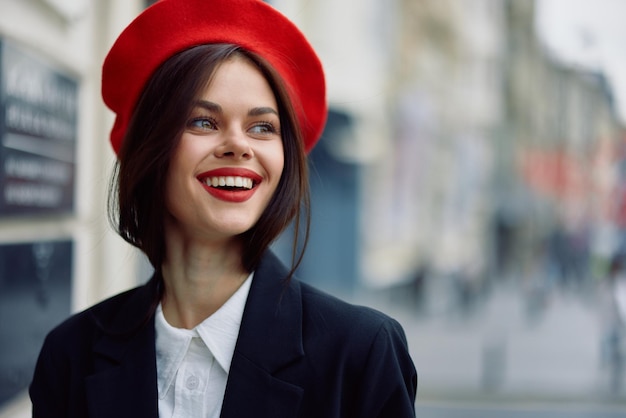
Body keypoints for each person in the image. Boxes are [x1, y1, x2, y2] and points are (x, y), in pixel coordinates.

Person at [29, 0, 418, 416]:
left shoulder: (361, 352)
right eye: (203, 121)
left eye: (262, 127)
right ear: (149, 149)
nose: (239, 145)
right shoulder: (70, 355)